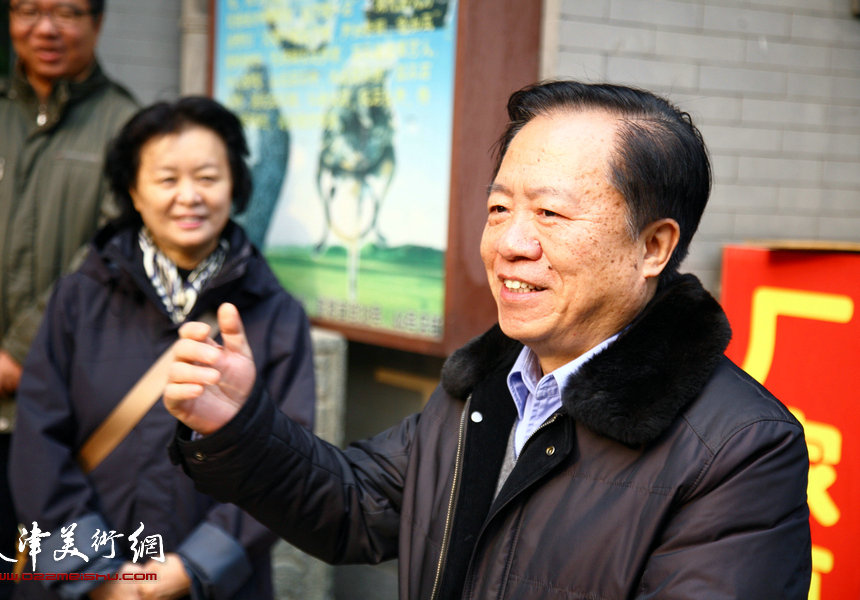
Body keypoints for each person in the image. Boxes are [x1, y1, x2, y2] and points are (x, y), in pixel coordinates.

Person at [163, 81, 812, 599]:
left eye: (551, 214)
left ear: (653, 246)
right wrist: (239, 427)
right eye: (500, 208)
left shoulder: (740, 450)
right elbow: (358, 509)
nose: (508, 245)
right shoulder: (487, 387)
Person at [7, 96, 316, 600]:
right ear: (133, 190)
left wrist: (193, 567)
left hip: (215, 588)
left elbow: (288, 461)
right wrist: (97, 574)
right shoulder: (79, 298)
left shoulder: (276, 314)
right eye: (167, 179)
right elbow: (38, 440)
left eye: (208, 178)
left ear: (235, 185)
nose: (189, 196)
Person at [0, 1, 137, 597]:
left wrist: (19, 352)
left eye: (66, 11)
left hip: (64, 412)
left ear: (97, 21)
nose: (46, 28)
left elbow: (109, 252)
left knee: (55, 578)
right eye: (28, 9)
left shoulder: (127, 125)